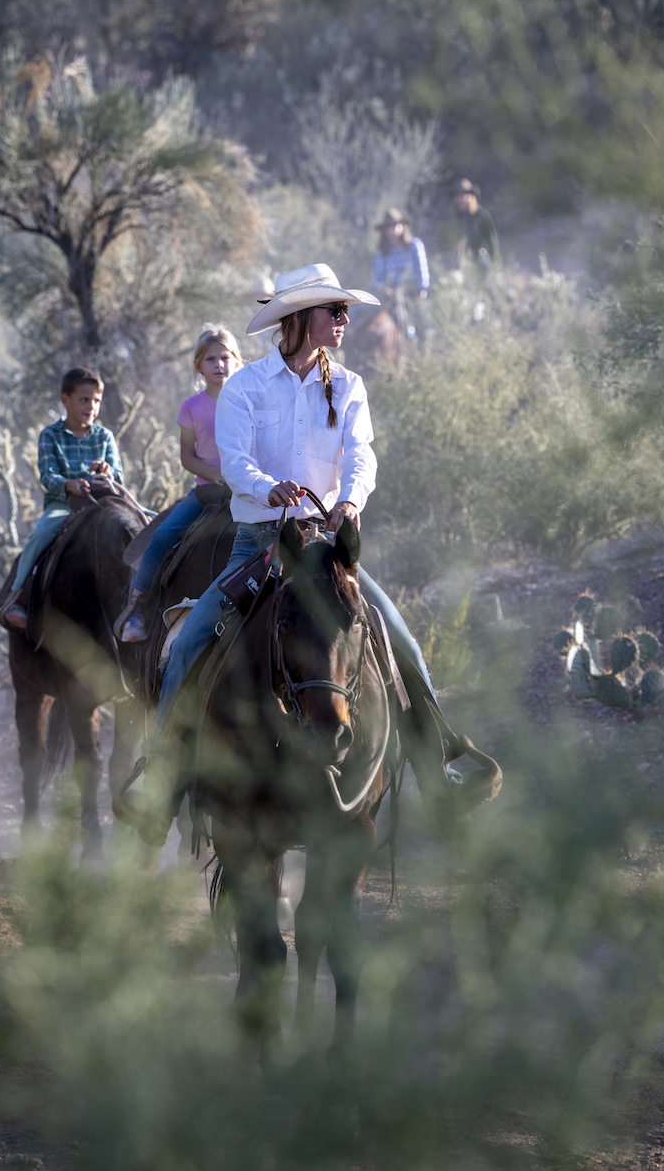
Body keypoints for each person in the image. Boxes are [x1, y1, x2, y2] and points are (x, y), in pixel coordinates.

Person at [120, 263, 461, 846]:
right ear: (300, 319)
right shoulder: (248, 387)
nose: (345, 320)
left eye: (343, 310)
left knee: (395, 632)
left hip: (328, 546)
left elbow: (362, 456)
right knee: (190, 642)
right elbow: (233, 459)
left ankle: (442, 765)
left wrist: (350, 502)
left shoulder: (348, 386)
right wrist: (265, 487)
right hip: (261, 542)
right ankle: (161, 774)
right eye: (335, 310)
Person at [116, 325, 241, 642]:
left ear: (236, 361)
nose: (219, 364)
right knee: (162, 536)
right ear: (199, 366)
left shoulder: (247, 401)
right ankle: (137, 608)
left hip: (245, 493)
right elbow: (188, 458)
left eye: (225, 357)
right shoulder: (192, 408)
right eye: (211, 359)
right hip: (206, 493)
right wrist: (217, 475)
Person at [0, 367, 122, 630]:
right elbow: (47, 475)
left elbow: (119, 476)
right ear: (65, 401)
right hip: (63, 505)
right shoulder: (50, 435)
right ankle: (17, 596)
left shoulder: (105, 437)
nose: (91, 406)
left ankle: (141, 600)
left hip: (103, 506)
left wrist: (107, 473)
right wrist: (69, 484)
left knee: (147, 524)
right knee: (41, 535)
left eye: (96, 401)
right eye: (84, 400)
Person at [371, 208, 430, 337]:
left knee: (423, 323)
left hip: (414, 292)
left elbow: (422, 270)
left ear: (402, 226)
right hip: (391, 295)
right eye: (388, 227)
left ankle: (426, 343)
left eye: (395, 226)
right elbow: (377, 278)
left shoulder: (414, 245)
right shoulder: (382, 252)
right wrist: (384, 288)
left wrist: (421, 291)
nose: (392, 230)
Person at [444, 178, 501, 276]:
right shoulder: (454, 220)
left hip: (480, 265)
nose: (462, 198)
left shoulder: (482, 216)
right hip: (461, 266)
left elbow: (492, 242)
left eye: (465, 195)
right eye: (459, 195)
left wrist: (494, 267)